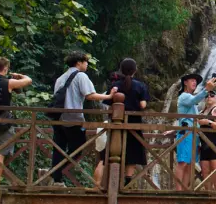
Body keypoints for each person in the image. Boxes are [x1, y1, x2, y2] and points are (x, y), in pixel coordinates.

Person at [51, 53, 112, 186]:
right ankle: (55, 171)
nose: (87, 64)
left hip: (58, 117)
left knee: (59, 148)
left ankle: (56, 178)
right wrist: (109, 96)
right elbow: (90, 95)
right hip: (74, 119)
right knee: (78, 148)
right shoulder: (80, 76)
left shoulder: (61, 78)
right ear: (79, 62)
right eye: (86, 62)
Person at [96, 58, 150, 190]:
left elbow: (107, 104)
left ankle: (101, 185)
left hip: (115, 124)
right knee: (133, 153)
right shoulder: (140, 86)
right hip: (133, 125)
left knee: (108, 153)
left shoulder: (115, 86)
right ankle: (127, 181)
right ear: (135, 70)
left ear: (121, 70)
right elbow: (143, 105)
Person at [0, 56, 33, 187]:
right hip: (4, 121)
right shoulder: (8, 82)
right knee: (0, 153)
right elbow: (28, 80)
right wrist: (18, 75)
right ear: (5, 68)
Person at [175, 72, 216, 190]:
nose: (194, 82)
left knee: (190, 165)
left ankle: (184, 190)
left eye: (196, 81)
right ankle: (178, 190)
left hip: (193, 134)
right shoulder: (184, 96)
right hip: (186, 133)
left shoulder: (192, 100)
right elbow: (193, 100)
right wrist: (206, 90)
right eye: (192, 80)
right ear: (185, 82)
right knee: (183, 162)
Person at [197, 91, 216, 191]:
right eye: (207, 96)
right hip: (205, 143)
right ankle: (209, 193)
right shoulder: (202, 111)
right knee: (205, 169)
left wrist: (208, 122)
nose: (209, 97)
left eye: (212, 95)